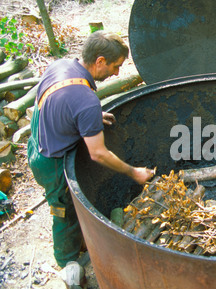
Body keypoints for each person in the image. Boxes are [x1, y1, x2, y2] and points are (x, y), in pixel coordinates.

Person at [27, 31, 154, 269]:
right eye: (116, 67)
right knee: (63, 211)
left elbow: (54, 101)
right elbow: (98, 153)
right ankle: (67, 261)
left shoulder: (61, 65)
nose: (117, 73)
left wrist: (89, 119)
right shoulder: (85, 100)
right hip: (51, 162)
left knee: (66, 207)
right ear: (100, 61)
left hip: (37, 142)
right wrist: (133, 172)